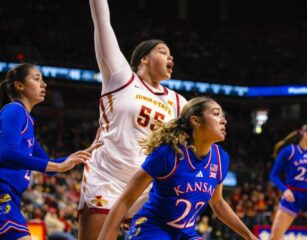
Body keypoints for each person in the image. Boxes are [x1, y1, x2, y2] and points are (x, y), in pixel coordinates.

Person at [78, 0, 187, 238]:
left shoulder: (179, 102)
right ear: (144, 58)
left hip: (146, 185)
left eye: (171, 55)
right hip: (106, 177)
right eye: (162, 52)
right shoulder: (121, 77)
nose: (170, 58)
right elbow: (102, 22)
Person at [97, 97, 258, 240]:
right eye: (216, 114)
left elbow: (218, 203)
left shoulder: (221, 158)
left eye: (222, 116)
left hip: (186, 233)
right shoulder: (168, 153)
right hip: (152, 229)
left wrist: (249, 236)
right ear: (195, 121)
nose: (223, 120)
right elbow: (125, 200)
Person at [0, 63, 99, 240]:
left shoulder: (28, 120)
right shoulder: (14, 110)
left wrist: (82, 154)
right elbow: (7, 153)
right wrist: (58, 166)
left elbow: (49, 164)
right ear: (19, 86)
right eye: (37, 79)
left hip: (13, 195)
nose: (44, 84)